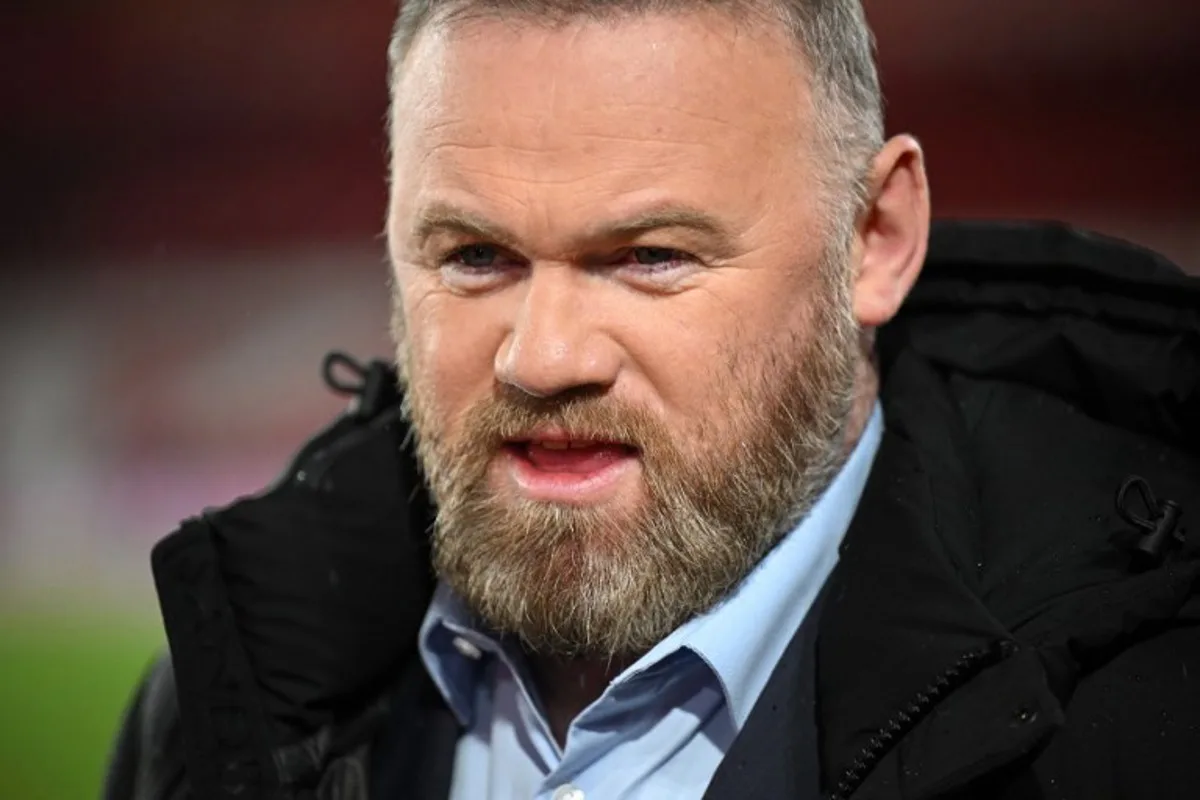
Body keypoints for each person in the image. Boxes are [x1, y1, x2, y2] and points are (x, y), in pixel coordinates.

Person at [104, 0, 1200, 798]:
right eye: (476, 254)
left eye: (650, 256)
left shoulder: (1146, 729)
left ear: (876, 240)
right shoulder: (213, 709)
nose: (543, 357)